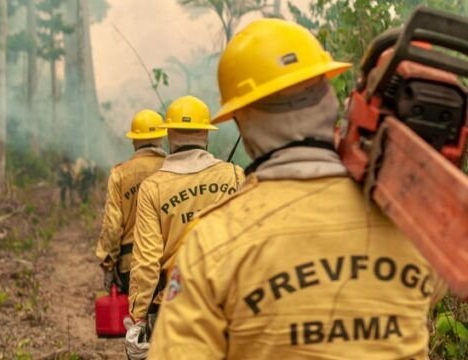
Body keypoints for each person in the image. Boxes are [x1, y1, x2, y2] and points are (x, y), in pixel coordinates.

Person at [148, 19, 446, 359]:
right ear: (332, 98)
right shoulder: (408, 215)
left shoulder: (211, 241)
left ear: (242, 119)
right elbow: (427, 291)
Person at [125, 95, 244, 359]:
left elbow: (146, 261)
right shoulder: (234, 175)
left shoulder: (153, 188)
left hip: (173, 304)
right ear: (206, 134)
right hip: (228, 300)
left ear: (168, 135)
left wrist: (138, 317)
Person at [95, 109, 167, 294]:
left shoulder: (120, 174)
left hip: (132, 263)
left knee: (136, 319)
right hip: (169, 262)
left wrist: (108, 264)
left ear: (134, 140)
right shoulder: (174, 169)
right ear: (161, 138)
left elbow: (112, 225)